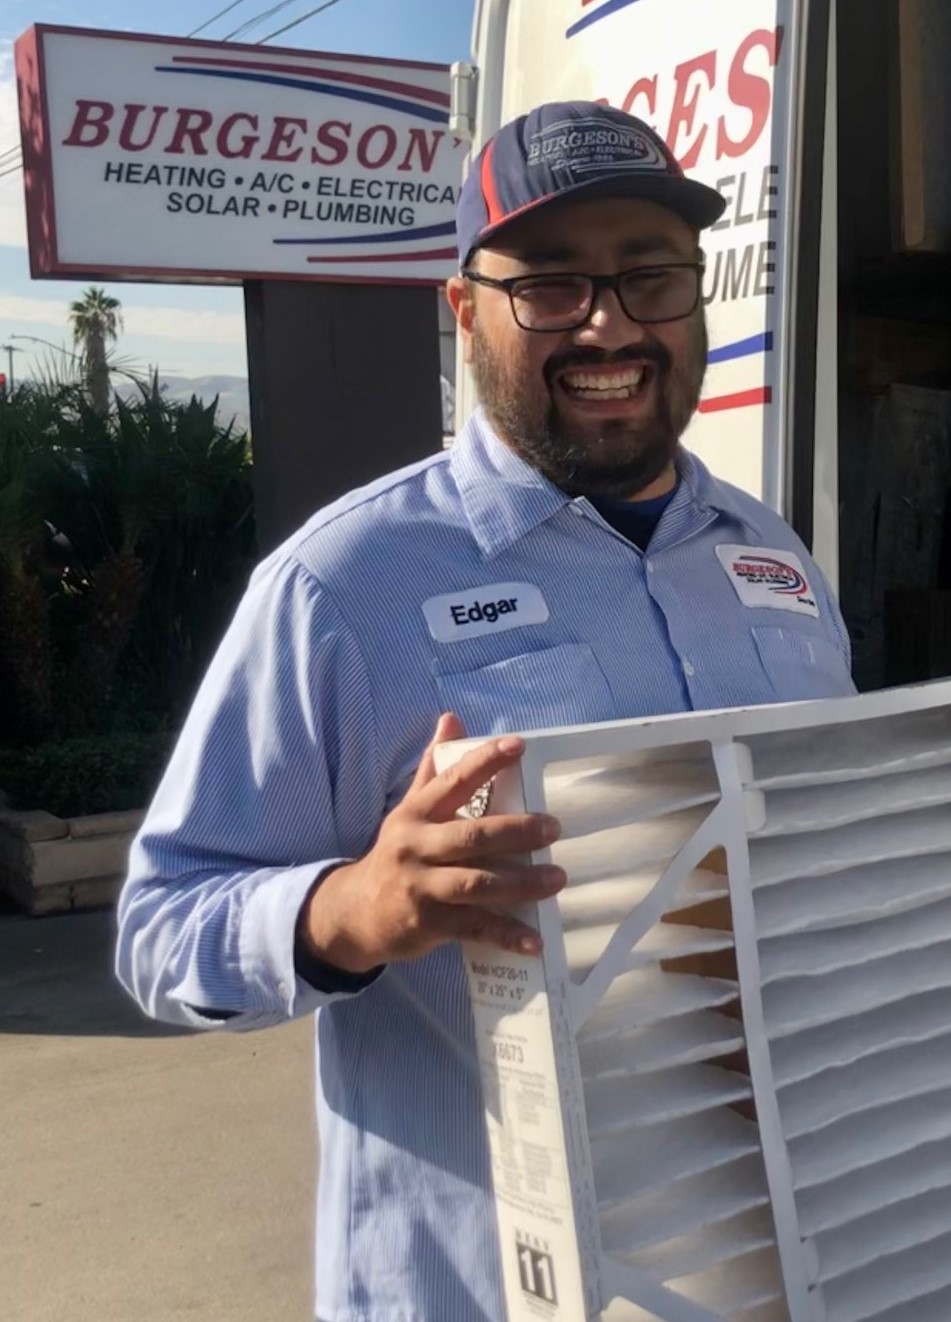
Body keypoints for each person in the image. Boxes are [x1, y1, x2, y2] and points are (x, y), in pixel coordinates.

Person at [116, 101, 854, 1322]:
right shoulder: (342, 585)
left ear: (695, 298)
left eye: (648, 277)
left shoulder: (768, 553)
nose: (608, 321)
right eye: (550, 285)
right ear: (464, 312)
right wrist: (353, 906)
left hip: (769, 1262)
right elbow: (160, 923)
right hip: (476, 1284)